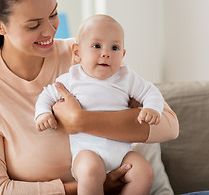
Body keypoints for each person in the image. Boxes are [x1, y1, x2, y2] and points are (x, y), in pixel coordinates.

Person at [0, 0, 179, 194]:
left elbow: (169, 126)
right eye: (33, 25)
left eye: (53, 14)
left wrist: (81, 121)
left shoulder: (84, 53)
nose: (49, 30)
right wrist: (86, 185)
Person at [35, 14, 164, 195]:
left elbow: (151, 92)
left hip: (122, 154)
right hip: (88, 153)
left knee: (144, 171)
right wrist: (43, 113)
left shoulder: (126, 77)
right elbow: (46, 95)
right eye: (97, 46)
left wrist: (152, 108)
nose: (106, 53)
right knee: (90, 171)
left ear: (123, 55)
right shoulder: (72, 79)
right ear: (78, 53)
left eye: (115, 47)